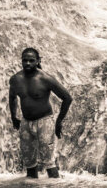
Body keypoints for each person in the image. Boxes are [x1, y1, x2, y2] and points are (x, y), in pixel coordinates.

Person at [8, 47, 73, 178]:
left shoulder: (46, 79)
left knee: (48, 162)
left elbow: (67, 98)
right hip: (26, 123)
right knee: (29, 162)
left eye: (31, 60)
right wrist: (14, 117)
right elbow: (12, 97)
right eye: (24, 60)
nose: (27, 63)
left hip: (45, 122)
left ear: (38, 61)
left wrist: (59, 121)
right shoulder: (16, 79)